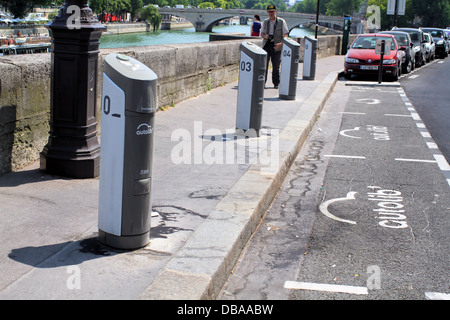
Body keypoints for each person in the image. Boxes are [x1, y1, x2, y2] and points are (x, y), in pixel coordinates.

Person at [261, 5, 289, 89]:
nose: (271, 13)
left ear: (275, 12)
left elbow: (286, 34)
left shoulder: (281, 22)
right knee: (264, 66)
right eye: (269, 12)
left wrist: (281, 43)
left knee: (276, 67)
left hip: (276, 45)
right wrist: (265, 36)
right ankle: (262, 83)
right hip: (267, 44)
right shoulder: (266, 22)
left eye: (272, 12)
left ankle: (276, 83)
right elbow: (261, 33)